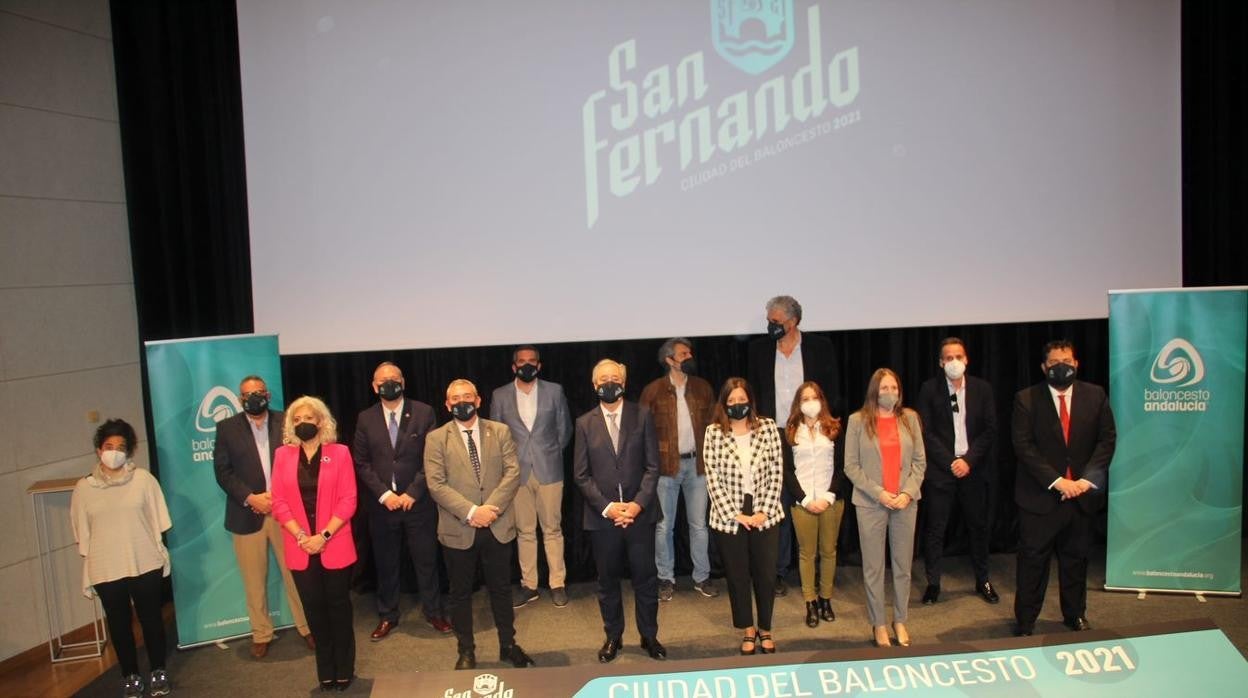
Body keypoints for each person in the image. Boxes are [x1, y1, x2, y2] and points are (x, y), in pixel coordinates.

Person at [425, 379, 535, 671]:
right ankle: (466, 650)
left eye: (467, 396)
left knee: (501, 590)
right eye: (455, 398)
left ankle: (508, 645)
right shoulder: (436, 438)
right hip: (458, 529)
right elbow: (436, 484)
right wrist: (473, 511)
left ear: (478, 399)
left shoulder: (499, 431)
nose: (462, 402)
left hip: (497, 526)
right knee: (460, 594)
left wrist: (490, 510)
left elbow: (513, 473)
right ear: (447, 405)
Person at [1012, 339, 1115, 636]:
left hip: (1081, 496)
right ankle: (1026, 620)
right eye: (1055, 363)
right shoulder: (1026, 399)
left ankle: (1075, 615)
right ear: (1044, 367)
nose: (1062, 367)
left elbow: (1106, 440)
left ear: (1077, 363)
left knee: (1076, 560)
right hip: (1040, 498)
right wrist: (1059, 482)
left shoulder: (1095, 396)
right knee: (1033, 563)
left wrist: (1084, 481)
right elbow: (1024, 446)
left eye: (1067, 361)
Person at [213, 375, 313, 658]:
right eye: (247, 394)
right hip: (247, 513)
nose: (253, 397)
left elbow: (301, 460)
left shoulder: (287, 421)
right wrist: (251, 497)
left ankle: (307, 628)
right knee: (254, 579)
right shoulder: (227, 428)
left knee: (295, 574)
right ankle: (261, 633)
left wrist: (278, 498)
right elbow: (223, 471)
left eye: (258, 392)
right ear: (239, 398)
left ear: (267, 395)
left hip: (287, 513)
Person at [71, 419, 172, 698]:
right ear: (98, 450)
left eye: (120, 447)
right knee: (119, 625)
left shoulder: (144, 480)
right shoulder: (84, 488)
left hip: (144, 562)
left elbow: (158, 522)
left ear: (129, 452)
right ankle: (130, 675)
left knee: (151, 619)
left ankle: (158, 670)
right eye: (108, 446)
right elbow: (82, 533)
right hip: (105, 567)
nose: (114, 452)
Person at [747, 295, 841, 596]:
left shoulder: (819, 348)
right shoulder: (759, 350)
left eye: (776, 321)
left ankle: (810, 568)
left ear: (793, 321)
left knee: (810, 496)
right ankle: (778, 569)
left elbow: (831, 390)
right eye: (769, 320)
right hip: (772, 432)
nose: (771, 326)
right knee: (778, 502)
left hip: (808, 432)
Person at [573, 359, 666, 663]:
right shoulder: (585, 422)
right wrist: (609, 508)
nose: (609, 382)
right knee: (607, 581)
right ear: (594, 385)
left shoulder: (642, 415)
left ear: (624, 384)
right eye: (603, 378)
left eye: (615, 378)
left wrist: (637, 505)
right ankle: (613, 636)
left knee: (646, 578)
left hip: (640, 515)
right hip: (604, 520)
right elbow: (581, 475)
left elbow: (653, 466)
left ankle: (649, 635)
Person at [353, 362, 450, 639]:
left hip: (417, 503)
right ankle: (388, 615)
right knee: (385, 563)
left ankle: (434, 612)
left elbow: (432, 458)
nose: (389, 384)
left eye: (394, 379)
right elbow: (361, 463)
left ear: (403, 382)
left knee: (426, 560)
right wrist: (385, 495)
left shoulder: (424, 412)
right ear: (374, 386)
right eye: (382, 381)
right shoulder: (365, 418)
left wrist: (412, 492)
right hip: (382, 507)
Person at [271, 396, 358, 692]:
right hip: (300, 546)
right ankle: (326, 671)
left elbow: (349, 500)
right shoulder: (283, 455)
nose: (302, 423)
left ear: (321, 421)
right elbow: (279, 502)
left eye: (308, 417)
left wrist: (324, 536)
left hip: (334, 543)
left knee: (338, 607)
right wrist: (301, 537)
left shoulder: (340, 452)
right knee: (314, 609)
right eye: (296, 419)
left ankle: (345, 668)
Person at [843, 369, 925, 648]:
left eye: (894, 387)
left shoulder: (910, 419)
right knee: (874, 568)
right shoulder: (857, 421)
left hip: (905, 503)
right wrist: (880, 494)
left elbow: (919, 463)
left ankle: (900, 620)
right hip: (870, 504)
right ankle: (878, 623)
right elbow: (851, 467)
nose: (890, 392)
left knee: (903, 567)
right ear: (874, 391)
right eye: (884, 387)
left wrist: (907, 493)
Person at [703, 378, 785, 655]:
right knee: (737, 575)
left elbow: (777, 470)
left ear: (750, 400)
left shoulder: (769, 428)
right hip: (729, 517)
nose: (737, 405)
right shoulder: (713, 433)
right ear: (724, 404)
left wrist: (763, 511)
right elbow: (712, 478)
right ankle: (748, 629)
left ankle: (765, 627)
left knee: (765, 573)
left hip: (765, 512)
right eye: (732, 401)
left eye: (742, 400)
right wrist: (736, 514)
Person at [915, 338, 1000, 606]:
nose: (954, 362)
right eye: (948, 358)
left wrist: (968, 461)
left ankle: (982, 579)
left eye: (958, 356)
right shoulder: (929, 390)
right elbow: (925, 432)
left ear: (966, 360)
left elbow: (989, 430)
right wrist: (951, 461)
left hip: (973, 470)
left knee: (978, 527)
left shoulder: (982, 389)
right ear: (941, 363)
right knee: (936, 529)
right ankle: (933, 583)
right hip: (942, 471)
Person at [489, 345, 573, 608]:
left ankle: (557, 583)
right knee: (525, 531)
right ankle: (529, 585)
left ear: (539, 365)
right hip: (516, 473)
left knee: (552, 529)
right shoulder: (500, 395)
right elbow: (496, 434)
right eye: (522, 362)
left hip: (549, 469)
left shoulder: (554, 391)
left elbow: (564, 429)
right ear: (514, 367)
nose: (527, 365)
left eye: (532, 361)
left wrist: (547, 453)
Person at [638, 338, 717, 602]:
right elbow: (642, 433)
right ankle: (665, 578)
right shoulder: (653, 391)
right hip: (665, 467)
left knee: (699, 525)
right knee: (663, 526)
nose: (689, 356)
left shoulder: (703, 388)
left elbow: (714, 426)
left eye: (690, 352)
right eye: (684, 354)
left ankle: (702, 577)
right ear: (670, 359)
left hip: (697, 465)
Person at [781, 381, 846, 628]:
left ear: (822, 400)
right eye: (805, 398)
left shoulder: (834, 428)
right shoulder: (790, 431)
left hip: (831, 500)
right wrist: (805, 499)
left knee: (829, 552)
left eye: (814, 397)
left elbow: (841, 467)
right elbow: (788, 471)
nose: (810, 402)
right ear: (798, 404)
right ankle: (810, 602)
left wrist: (829, 495)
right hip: (803, 502)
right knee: (807, 554)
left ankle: (825, 599)